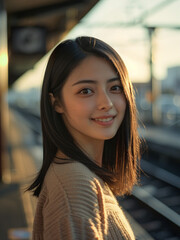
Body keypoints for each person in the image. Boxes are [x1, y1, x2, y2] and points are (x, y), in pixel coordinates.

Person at [28, 36, 141, 240]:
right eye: (86, 91)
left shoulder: (80, 177)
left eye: (115, 87)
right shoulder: (74, 190)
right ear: (57, 103)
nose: (106, 103)